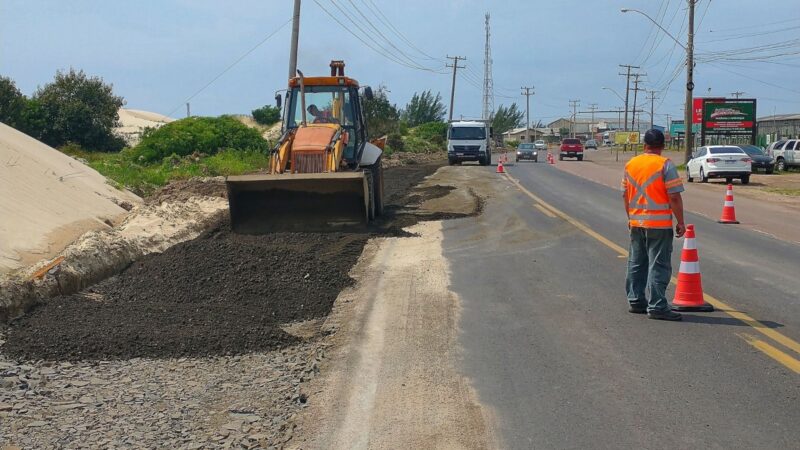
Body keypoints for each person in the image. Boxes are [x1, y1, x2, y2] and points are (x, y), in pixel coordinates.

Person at [622, 129, 686, 321]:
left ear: (644, 145)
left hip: (636, 222)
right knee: (658, 264)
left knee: (636, 262)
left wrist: (630, 217)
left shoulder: (631, 164)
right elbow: (674, 196)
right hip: (658, 225)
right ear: (663, 146)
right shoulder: (665, 164)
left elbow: (625, 195)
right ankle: (657, 305)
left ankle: (636, 300)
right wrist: (680, 222)